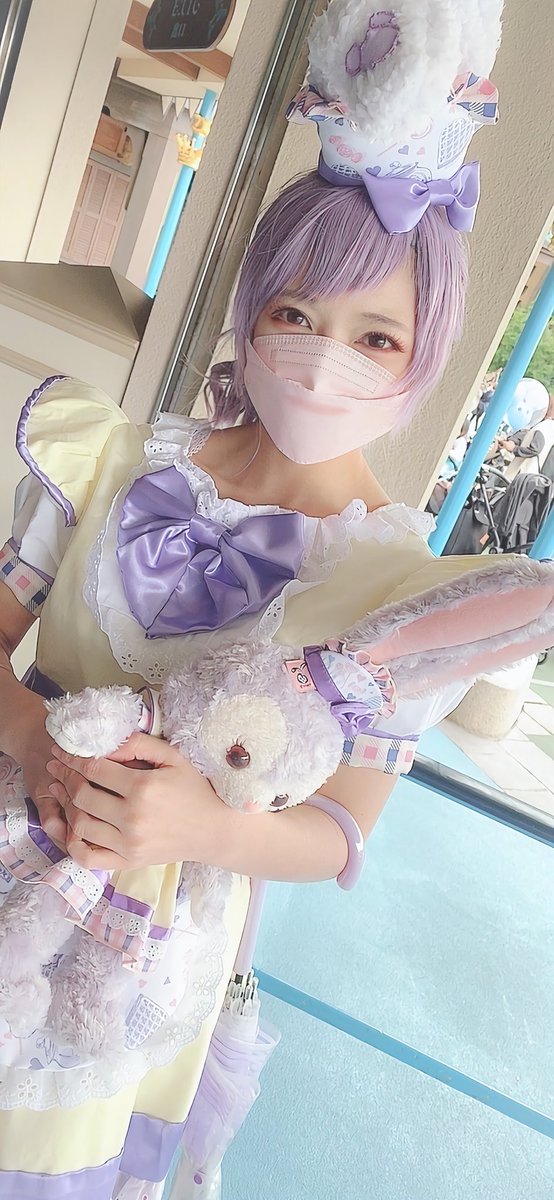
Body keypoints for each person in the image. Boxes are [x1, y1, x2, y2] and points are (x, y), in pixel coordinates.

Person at [0, 2, 547, 1197]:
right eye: (292, 313)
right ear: (250, 314)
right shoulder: (107, 459)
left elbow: (340, 830)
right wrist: (34, 732)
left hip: (147, 966)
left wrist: (205, 829)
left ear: (422, 356)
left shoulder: (396, 591)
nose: (318, 353)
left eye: (373, 335)